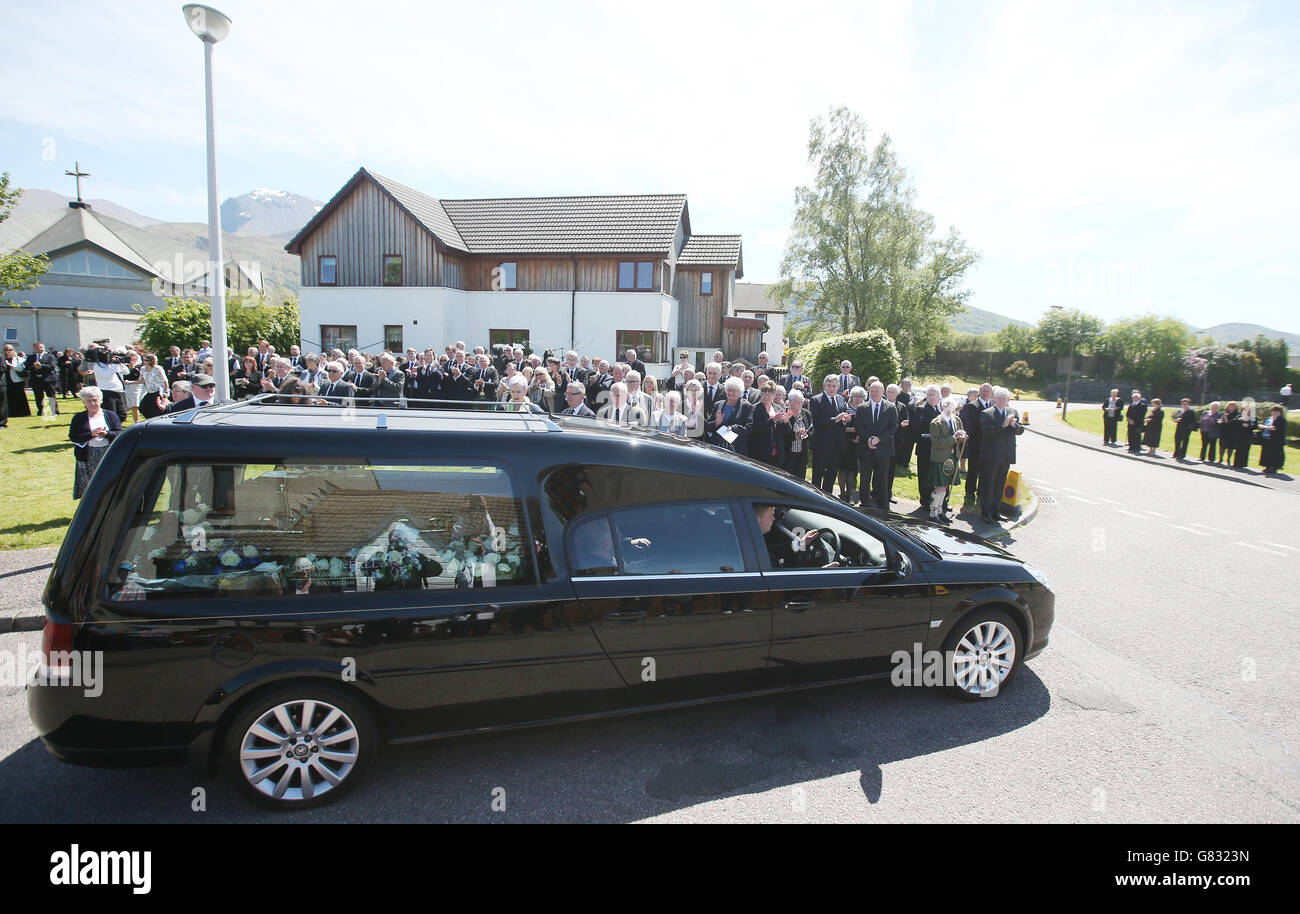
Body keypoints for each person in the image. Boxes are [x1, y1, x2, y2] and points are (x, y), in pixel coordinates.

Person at [978, 387, 1024, 524]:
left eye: (1004, 398)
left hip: (1006, 455)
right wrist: (1003, 425)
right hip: (991, 455)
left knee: (1000, 483)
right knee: (988, 483)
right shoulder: (987, 413)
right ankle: (986, 512)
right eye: (999, 398)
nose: (1002, 400)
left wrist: (1014, 425)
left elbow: (1020, 430)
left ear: (1008, 399)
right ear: (994, 399)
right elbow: (986, 432)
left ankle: (995, 510)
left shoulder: (1012, 412)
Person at [69, 387, 122, 499]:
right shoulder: (79, 418)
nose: (93, 403)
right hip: (87, 454)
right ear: (84, 402)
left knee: (108, 481)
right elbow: (73, 436)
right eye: (89, 401)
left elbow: (119, 433)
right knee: (91, 485)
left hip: (108, 452)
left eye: (95, 400)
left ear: (100, 400)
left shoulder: (110, 415)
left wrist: (106, 434)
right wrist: (91, 434)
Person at [753, 503, 838, 569]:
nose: (774, 518)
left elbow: (773, 551)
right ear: (757, 520)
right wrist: (819, 574)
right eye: (771, 515)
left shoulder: (750, 543)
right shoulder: (762, 561)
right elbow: (786, 586)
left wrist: (801, 543)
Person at [854, 380, 897, 510]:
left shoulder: (890, 407)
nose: (873, 393)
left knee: (882, 478)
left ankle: (882, 504)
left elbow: (893, 427)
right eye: (871, 391)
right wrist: (868, 439)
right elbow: (859, 426)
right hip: (866, 448)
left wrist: (879, 439)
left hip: (883, 448)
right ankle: (865, 503)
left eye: (876, 391)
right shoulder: (862, 407)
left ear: (882, 392)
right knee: (865, 478)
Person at [809, 375, 853, 495]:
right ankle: (814, 498)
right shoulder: (816, 400)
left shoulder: (841, 399)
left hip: (837, 445)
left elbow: (843, 419)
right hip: (821, 444)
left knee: (831, 474)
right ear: (824, 386)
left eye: (834, 386)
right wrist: (835, 419)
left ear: (838, 386)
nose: (831, 389)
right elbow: (817, 422)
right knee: (818, 474)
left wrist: (844, 420)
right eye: (829, 386)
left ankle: (827, 498)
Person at [927, 398, 968, 521]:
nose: (949, 410)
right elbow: (936, 442)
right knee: (939, 486)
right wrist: (954, 438)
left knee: (945, 486)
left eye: (951, 408)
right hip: (940, 457)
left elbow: (962, 437)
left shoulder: (957, 420)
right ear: (942, 407)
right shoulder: (936, 422)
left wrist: (962, 437)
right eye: (946, 407)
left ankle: (940, 511)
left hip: (952, 457)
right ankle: (932, 513)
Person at [912, 385, 943, 515]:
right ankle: (925, 501)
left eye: (933, 395)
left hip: (939, 450)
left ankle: (938, 501)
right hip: (925, 448)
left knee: (936, 476)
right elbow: (917, 427)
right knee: (924, 476)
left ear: (939, 397)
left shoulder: (942, 410)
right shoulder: (920, 409)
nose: (930, 397)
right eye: (929, 395)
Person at [838, 385, 867, 505]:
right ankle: (842, 493)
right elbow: (840, 426)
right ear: (851, 397)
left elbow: (868, 426)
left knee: (853, 470)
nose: (858, 399)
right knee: (842, 470)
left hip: (858, 444)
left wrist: (860, 436)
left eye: (861, 396)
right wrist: (854, 431)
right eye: (855, 396)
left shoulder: (865, 409)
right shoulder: (845, 408)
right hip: (845, 443)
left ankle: (850, 494)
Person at [748, 380, 788, 467]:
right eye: (763, 394)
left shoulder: (778, 408)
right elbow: (756, 428)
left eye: (768, 394)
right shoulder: (754, 408)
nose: (765, 397)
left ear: (774, 395)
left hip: (777, 450)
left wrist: (786, 422)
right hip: (760, 450)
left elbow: (785, 430)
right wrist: (773, 420)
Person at [708, 377, 753, 453]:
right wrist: (716, 423)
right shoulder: (718, 405)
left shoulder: (746, 406)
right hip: (717, 447)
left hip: (736, 448)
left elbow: (748, 428)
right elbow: (708, 426)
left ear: (740, 392)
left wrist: (732, 428)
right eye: (729, 390)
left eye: (734, 390)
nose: (731, 393)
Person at [782, 389, 812, 480]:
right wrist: (795, 434)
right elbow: (783, 434)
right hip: (788, 454)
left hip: (801, 454)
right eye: (797, 402)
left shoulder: (806, 413)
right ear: (790, 402)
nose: (800, 404)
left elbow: (812, 430)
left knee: (800, 479)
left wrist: (806, 434)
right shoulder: (785, 413)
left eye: (801, 402)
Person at [958, 387, 983, 502]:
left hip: (985, 443)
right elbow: (966, 420)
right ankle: (970, 491)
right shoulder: (969, 405)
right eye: (975, 394)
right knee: (965, 455)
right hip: (971, 437)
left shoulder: (990, 404)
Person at [27, 341, 59, 416]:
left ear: (44, 348)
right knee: (38, 396)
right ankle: (41, 411)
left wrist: (41, 366)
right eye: (37, 347)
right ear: (34, 349)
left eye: (40, 347)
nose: (39, 349)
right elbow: (28, 367)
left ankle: (54, 411)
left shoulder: (50, 356)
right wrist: (34, 367)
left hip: (49, 379)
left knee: (51, 395)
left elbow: (52, 366)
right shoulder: (30, 357)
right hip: (36, 380)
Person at [138, 352, 170, 419]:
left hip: (158, 391)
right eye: (143, 360)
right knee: (142, 407)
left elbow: (165, 380)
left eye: (146, 360)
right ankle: (149, 419)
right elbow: (141, 380)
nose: (144, 362)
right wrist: (130, 382)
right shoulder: (142, 369)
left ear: (151, 361)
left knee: (155, 409)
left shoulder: (158, 368)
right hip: (149, 391)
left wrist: (166, 391)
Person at [1258, 405, 1287, 474]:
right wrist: (1264, 427)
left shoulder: (1282, 420)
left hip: (1276, 440)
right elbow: (1262, 425)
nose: (1275, 413)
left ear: (1280, 413)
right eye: (1274, 411)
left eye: (1277, 412)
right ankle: (1267, 466)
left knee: (1275, 454)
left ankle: (1274, 468)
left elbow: (1275, 428)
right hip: (1266, 439)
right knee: (1266, 453)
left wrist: (1265, 427)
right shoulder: (1268, 419)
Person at [1232, 398, 1258, 470]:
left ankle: (1242, 464)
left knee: (1245, 450)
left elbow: (1255, 426)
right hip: (1239, 436)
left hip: (1248, 436)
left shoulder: (1253, 418)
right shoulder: (1239, 417)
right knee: (1238, 450)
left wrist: (1249, 426)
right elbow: (1233, 422)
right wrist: (1239, 420)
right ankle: (1236, 463)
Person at [1125, 389, 1148, 454]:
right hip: (1130, 423)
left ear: (1139, 398)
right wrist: (1129, 419)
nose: (1134, 399)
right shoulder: (1131, 405)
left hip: (1138, 423)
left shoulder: (1142, 405)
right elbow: (1127, 414)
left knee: (1136, 436)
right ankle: (1131, 446)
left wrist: (1134, 421)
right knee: (1130, 435)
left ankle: (1136, 448)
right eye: (1133, 398)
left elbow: (1141, 415)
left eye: (1136, 398)